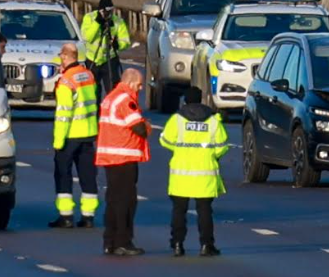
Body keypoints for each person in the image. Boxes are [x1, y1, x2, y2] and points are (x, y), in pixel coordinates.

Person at [160, 85, 229, 257]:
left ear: (185, 100)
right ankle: (206, 245)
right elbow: (222, 147)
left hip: (180, 173)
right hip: (205, 172)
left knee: (179, 211)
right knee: (204, 211)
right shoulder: (213, 120)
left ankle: (177, 244)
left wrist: (180, 150)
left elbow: (165, 141)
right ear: (201, 99)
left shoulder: (177, 119)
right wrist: (209, 154)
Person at [96, 67, 150, 257]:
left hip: (110, 156)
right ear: (130, 82)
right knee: (125, 202)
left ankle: (109, 241)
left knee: (112, 200)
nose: (140, 88)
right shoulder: (125, 99)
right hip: (124, 156)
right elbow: (139, 128)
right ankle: (123, 242)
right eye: (139, 84)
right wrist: (147, 126)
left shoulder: (110, 97)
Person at [51, 43, 100, 229]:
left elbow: (64, 114)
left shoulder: (66, 81)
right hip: (88, 133)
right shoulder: (88, 75)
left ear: (65, 56)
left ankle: (66, 216)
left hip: (70, 135)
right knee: (87, 175)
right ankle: (88, 216)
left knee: (63, 174)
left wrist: (58, 141)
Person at [82, 0, 131, 95]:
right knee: (92, 92)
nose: (108, 14)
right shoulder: (90, 18)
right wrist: (98, 22)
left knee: (113, 91)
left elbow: (126, 41)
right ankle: (95, 110)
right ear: (100, 10)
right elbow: (87, 38)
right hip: (92, 60)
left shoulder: (117, 22)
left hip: (110, 60)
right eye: (105, 12)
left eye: (110, 11)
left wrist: (117, 44)